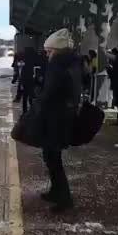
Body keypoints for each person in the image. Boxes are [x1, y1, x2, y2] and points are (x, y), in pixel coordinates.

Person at [35, 28, 82, 213]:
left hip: (55, 117)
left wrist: (38, 97)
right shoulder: (73, 62)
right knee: (53, 156)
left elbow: (50, 91)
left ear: (57, 50)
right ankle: (56, 191)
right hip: (65, 115)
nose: (47, 55)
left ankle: (64, 198)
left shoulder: (57, 64)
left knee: (52, 157)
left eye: (49, 51)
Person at [20, 47, 38, 113]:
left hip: (25, 79)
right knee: (31, 95)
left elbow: (22, 72)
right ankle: (32, 109)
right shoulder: (34, 58)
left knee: (25, 96)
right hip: (31, 79)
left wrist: (21, 82)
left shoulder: (25, 59)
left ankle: (25, 110)